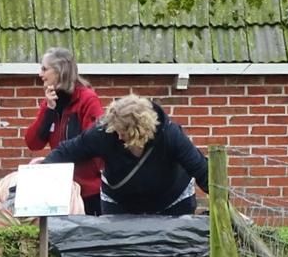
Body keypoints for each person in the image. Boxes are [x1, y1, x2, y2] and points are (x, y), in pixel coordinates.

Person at [43, 94, 208, 215]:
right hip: (119, 201)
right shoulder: (104, 131)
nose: (119, 136)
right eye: (116, 131)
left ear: (140, 131)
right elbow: (68, 151)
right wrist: (40, 170)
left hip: (172, 199)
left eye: (124, 133)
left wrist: (222, 203)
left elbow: (201, 169)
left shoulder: (170, 135)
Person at [23, 48, 104, 215]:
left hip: (88, 191)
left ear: (59, 71)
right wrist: (49, 111)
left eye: (45, 69)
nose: (40, 74)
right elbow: (33, 143)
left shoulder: (87, 100)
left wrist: (53, 159)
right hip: (61, 189)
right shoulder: (50, 101)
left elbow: (94, 141)